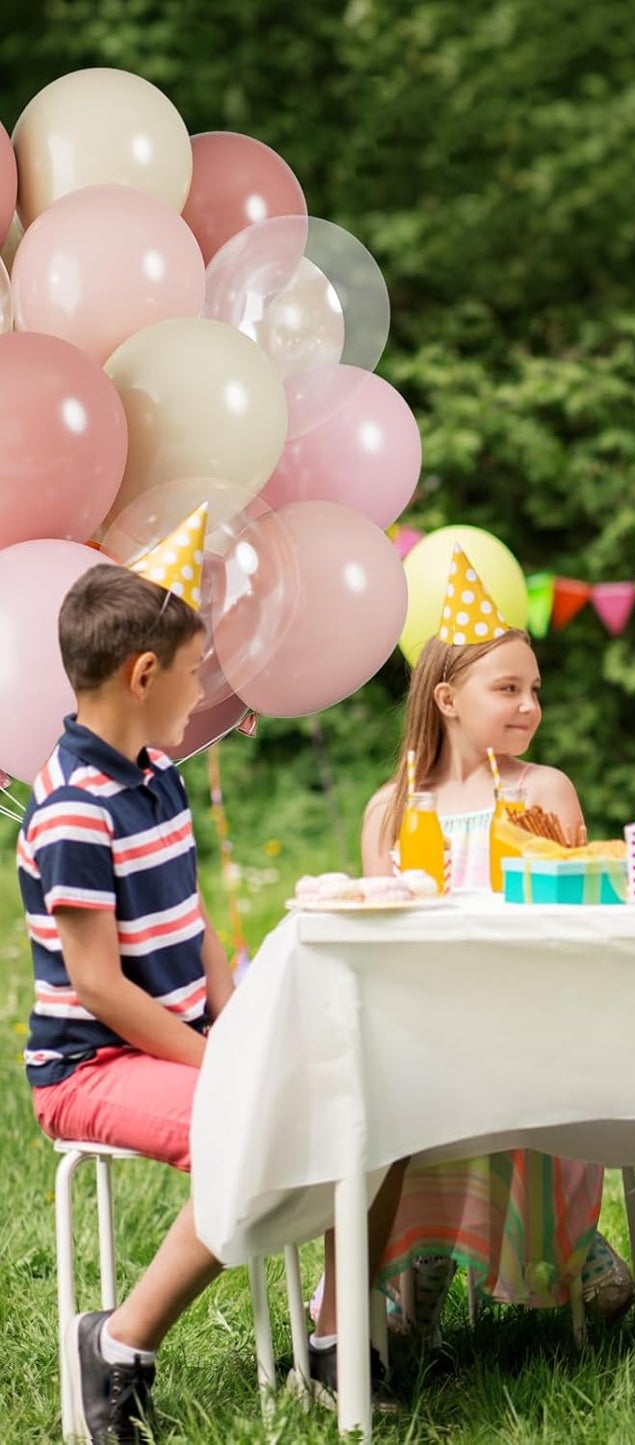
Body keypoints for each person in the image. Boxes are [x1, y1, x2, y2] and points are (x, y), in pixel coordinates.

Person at [20, 512, 407, 1443]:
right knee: (249, 1120)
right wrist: (219, 1060)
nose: (203, 691)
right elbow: (102, 986)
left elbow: (192, 934)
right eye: (193, 671)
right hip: (92, 1065)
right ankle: (117, 1345)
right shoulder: (73, 810)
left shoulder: (159, 775)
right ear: (142, 674)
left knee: (375, 1103)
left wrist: (244, 1023)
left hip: (178, 1042)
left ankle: (332, 1336)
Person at [351, 546, 630, 1349]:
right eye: (507, 688)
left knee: (492, 1075)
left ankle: (556, 1252)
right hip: (427, 1020)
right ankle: (414, 1285)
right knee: (427, 1085)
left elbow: (578, 913)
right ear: (446, 697)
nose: (528, 705)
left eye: (533, 689)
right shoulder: (393, 810)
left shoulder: (546, 793)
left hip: (531, 1016)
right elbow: (382, 935)